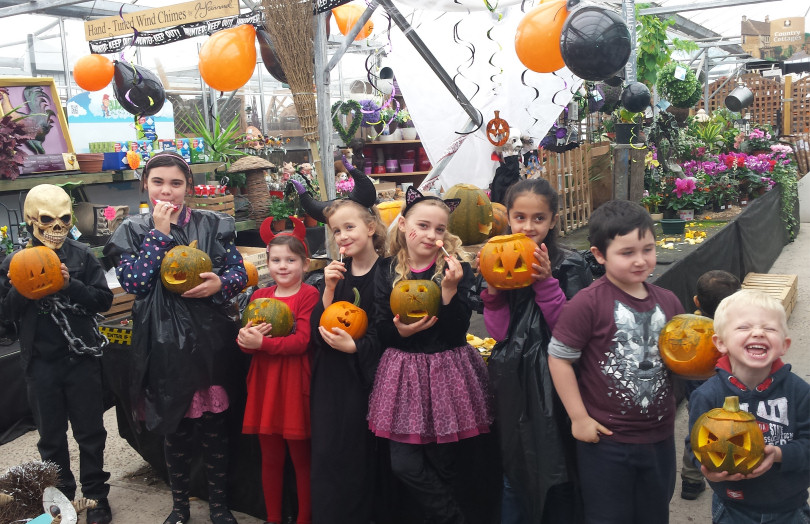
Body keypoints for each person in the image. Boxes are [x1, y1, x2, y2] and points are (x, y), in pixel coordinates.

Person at [104, 152, 248, 524]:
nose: (166, 191)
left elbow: (238, 272)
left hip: (208, 341)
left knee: (214, 429)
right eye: (158, 182)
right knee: (175, 429)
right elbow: (135, 282)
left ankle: (219, 505)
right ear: (145, 185)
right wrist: (159, 234)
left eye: (176, 183)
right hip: (162, 343)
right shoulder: (132, 230)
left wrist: (220, 283)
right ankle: (180, 506)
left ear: (188, 186)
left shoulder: (212, 223)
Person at [548, 199, 684, 524]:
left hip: (660, 436)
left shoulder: (669, 302)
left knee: (654, 514)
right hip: (606, 442)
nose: (640, 260)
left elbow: (684, 357)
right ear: (599, 255)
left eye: (648, 249)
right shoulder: (587, 303)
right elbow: (559, 359)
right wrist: (579, 418)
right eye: (627, 252)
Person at [368, 186, 493, 524]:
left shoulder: (454, 269)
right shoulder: (386, 270)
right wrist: (401, 333)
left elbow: (456, 333)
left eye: (439, 229)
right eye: (422, 226)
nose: (431, 234)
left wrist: (449, 292)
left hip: (446, 373)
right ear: (403, 224)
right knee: (404, 464)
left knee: (445, 461)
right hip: (403, 376)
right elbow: (381, 328)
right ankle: (453, 518)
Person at [0, 184, 114, 524]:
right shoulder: (13, 263)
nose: (57, 227)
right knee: (50, 438)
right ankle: (61, 496)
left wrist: (70, 285)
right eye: (48, 220)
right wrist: (21, 290)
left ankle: (95, 495)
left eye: (64, 219)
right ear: (31, 221)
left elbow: (103, 301)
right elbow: (4, 317)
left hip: (81, 360)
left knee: (90, 432)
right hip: (40, 364)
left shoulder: (81, 256)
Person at [481, 178, 592, 523]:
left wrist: (546, 284)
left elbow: (568, 332)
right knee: (516, 462)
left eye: (538, 218)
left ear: (553, 220)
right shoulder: (498, 258)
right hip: (513, 379)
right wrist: (493, 295)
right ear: (508, 217)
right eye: (520, 218)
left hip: (558, 378)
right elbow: (499, 333)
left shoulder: (568, 264)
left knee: (558, 461)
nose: (528, 227)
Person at [303, 181, 388, 523]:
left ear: (371, 227)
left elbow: (388, 332)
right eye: (336, 231)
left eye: (349, 227)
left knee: (358, 453)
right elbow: (318, 328)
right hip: (332, 379)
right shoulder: (335, 273)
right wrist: (328, 291)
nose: (342, 237)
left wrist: (357, 346)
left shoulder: (388, 272)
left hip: (364, 380)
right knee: (328, 450)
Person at [687, 289, 810, 523]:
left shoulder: (800, 392)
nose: (758, 333)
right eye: (744, 327)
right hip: (732, 508)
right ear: (720, 343)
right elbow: (694, 444)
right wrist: (707, 468)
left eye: (769, 328)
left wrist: (780, 454)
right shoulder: (707, 396)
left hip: (790, 509)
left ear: (784, 345)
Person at [238, 219, 319, 524]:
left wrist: (262, 343)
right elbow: (249, 344)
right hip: (265, 384)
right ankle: (273, 518)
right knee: (270, 459)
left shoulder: (309, 295)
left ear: (305, 263)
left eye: (291, 260)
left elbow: (303, 341)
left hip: (294, 384)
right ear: (267, 263)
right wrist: (245, 341)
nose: (283, 266)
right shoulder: (259, 296)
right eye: (276, 260)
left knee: (301, 460)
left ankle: (304, 519)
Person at [680, 270, 741, 501]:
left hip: (697, 394)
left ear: (697, 301)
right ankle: (735, 470)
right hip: (733, 394)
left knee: (697, 433)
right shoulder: (739, 331)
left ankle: (691, 481)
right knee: (736, 433)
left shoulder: (689, 329)